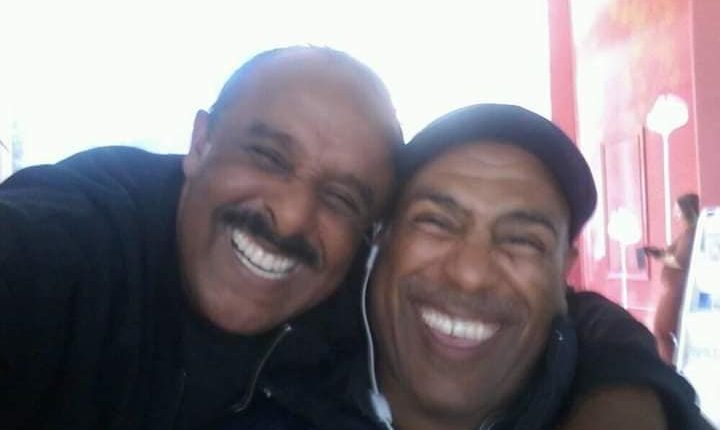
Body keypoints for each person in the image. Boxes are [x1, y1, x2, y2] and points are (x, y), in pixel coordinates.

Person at [0, 47, 697, 429]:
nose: (290, 218)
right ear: (201, 142)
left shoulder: (332, 304)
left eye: (340, 197)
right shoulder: (90, 236)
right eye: (267, 156)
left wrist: (629, 397)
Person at [220, 104, 702, 430]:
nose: (470, 274)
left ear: (562, 272)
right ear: (380, 237)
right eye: (436, 223)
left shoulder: (629, 397)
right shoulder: (261, 393)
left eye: (522, 240)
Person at [644, 193, 700, 364]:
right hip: (675, 289)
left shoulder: (690, 233)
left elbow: (680, 261)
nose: (674, 213)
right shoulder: (688, 233)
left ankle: (669, 368)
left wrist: (658, 256)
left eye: (677, 209)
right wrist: (659, 253)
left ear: (684, 211)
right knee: (670, 332)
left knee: (662, 331)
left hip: (676, 291)